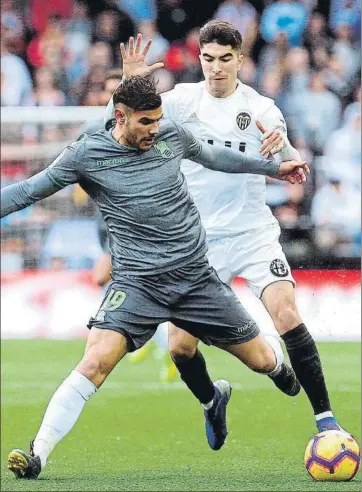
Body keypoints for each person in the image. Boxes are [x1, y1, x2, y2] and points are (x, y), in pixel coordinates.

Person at [3, 76, 308, 479]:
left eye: (158, 120)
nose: (154, 129)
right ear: (120, 117)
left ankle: (260, 374)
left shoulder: (170, 136)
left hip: (196, 279)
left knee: (261, 360)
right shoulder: (86, 155)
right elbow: (27, 190)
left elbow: (216, 158)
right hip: (137, 285)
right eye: (145, 122)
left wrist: (274, 168)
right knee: (95, 361)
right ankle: (37, 453)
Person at [105, 25, 349, 436]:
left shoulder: (260, 108)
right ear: (199, 59)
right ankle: (211, 399)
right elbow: (129, 123)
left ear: (240, 59)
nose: (215, 68)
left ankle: (326, 421)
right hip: (196, 244)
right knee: (180, 347)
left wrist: (281, 145)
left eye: (224, 59)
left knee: (286, 313)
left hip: (251, 233)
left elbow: (288, 156)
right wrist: (129, 83)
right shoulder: (181, 101)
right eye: (207, 58)